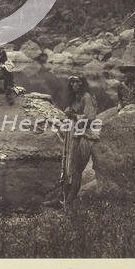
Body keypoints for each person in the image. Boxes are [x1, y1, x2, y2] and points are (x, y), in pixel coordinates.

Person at [44, 75, 99, 209]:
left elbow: (90, 117)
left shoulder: (86, 97)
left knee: (75, 169)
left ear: (82, 83)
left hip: (81, 136)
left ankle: (68, 201)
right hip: (71, 133)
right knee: (66, 166)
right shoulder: (75, 98)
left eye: (78, 82)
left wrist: (74, 116)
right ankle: (61, 198)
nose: (75, 85)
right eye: (72, 82)